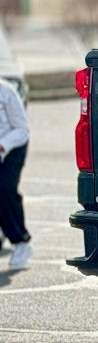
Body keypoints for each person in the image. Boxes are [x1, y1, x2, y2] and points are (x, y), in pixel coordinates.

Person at [0, 78, 31, 269]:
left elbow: (22, 129)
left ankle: (21, 241)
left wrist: (3, 145)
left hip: (13, 146)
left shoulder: (6, 92)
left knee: (4, 190)